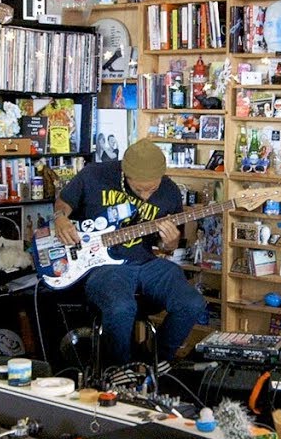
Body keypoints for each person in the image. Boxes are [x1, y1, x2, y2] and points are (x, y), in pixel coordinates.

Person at [53, 140, 205, 368]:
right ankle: (118, 370)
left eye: (152, 189)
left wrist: (170, 241)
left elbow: (169, 248)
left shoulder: (170, 191)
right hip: (102, 266)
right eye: (139, 189)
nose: (145, 196)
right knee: (122, 308)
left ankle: (158, 361)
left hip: (146, 263)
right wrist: (61, 219)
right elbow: (62, 204)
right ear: (124, 173)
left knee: (192, 302)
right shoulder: (94, 175)